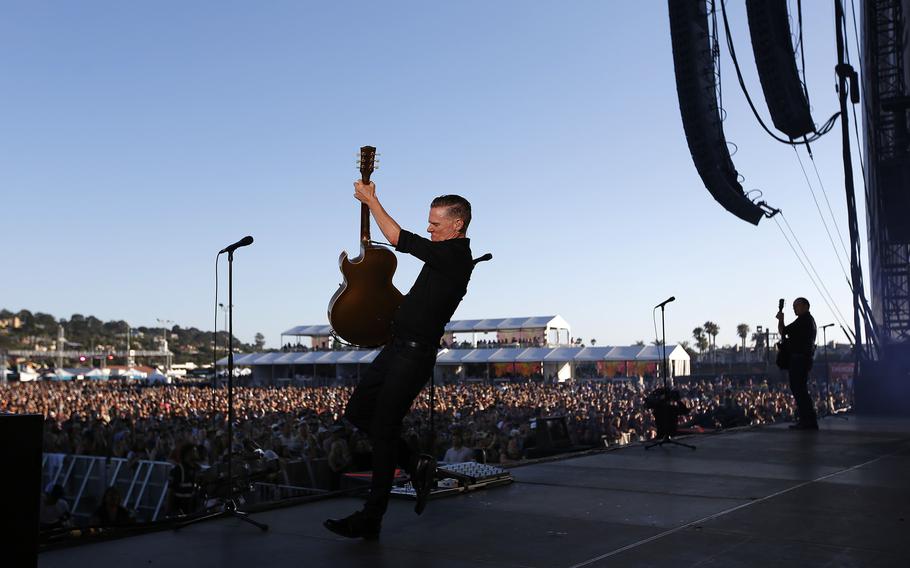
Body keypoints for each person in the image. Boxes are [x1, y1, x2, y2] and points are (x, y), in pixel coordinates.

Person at [324, 180, 476, 539]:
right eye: (429, 222)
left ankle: (371, 517)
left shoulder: (456, 256)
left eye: (435, 224)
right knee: (358, 412)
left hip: (413, 356)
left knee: (384, 430)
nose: (429, 228)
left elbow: (399, 239)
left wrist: (371, 201)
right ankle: (415, 463)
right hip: (396, 349)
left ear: (457, 225)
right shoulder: (443, 254)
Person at [777, 297, 818, 430]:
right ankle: (806, 420)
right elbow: (784, 332)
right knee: (799, 390)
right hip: (800, 359)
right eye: (794, 306)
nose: (794, 308)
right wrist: (781, 320)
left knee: (799, 390)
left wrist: (781, 321)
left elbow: (783, 331)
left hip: (800, 359)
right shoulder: (805, 320)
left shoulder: (804, 320)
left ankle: (808, 420)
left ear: (806, 306)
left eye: (797, 306)